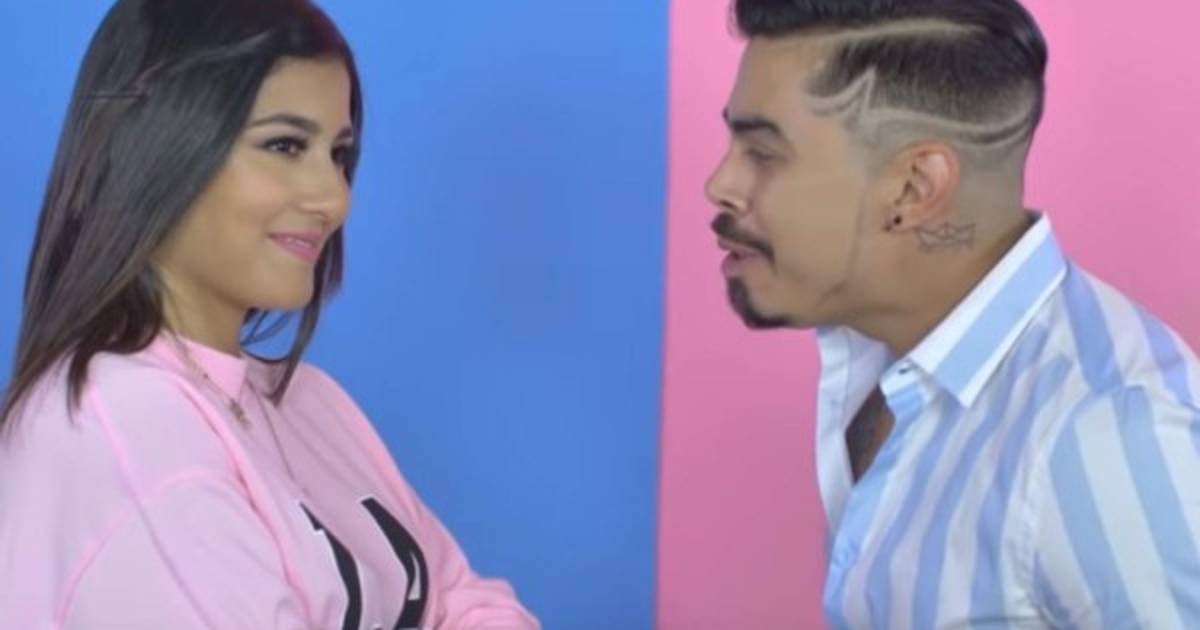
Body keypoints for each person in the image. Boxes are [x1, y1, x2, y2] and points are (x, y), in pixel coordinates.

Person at [0, 1, 538, 628]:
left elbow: (469, 602)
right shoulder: (120, 429)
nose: (333, 198)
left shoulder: (309, 403)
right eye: (284, 145)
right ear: (154, 151)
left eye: (338, 154)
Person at [706, 0, 1200, 628]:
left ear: (913, 189)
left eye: (762, 152)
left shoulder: (1107, 439)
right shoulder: (881, 350)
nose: (720, 184)